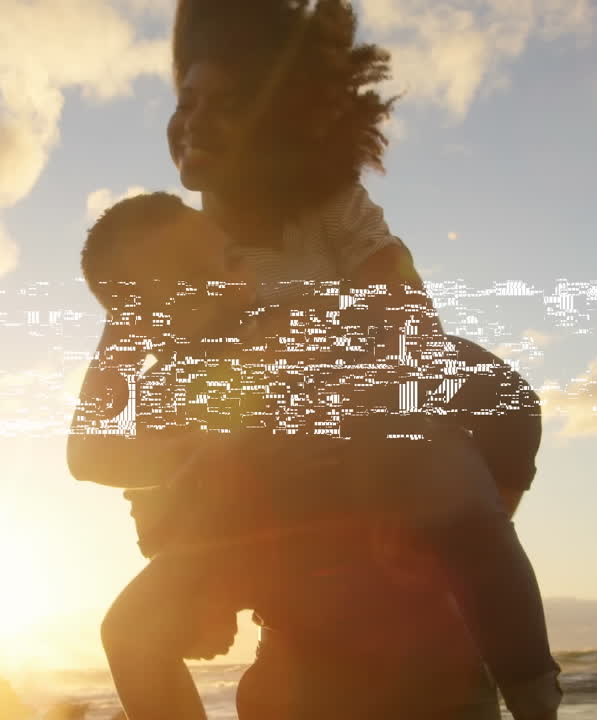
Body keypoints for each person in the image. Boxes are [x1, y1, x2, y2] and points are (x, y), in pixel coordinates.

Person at [71, 192, 556, 720]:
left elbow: (503, 395)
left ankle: (533, 691)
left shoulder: (316, 328)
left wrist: (467, 527)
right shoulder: (177, 381)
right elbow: (94, 456)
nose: (239, 279)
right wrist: (211, 458)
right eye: (200, 278)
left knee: (132, 632)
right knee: (130, 634)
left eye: (234, 258)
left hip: (421, 651)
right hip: (293, 657)